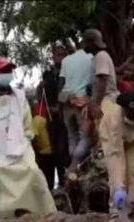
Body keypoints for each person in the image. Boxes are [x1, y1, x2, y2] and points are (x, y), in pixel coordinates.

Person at [0, 56, 57, 218]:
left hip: (20, 148)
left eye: (9, 71)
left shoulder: (19, 96)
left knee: (33, 173)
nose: (8, 74)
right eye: (4, 71)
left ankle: (41, 215)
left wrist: (27, 137)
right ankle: (3, 219)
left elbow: (27, 123)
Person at [34, 44, 69, 188]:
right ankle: (48, 187)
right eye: (57, 55)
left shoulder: (68, 73)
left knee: (63, 151)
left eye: (62, 55)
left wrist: (60, 107)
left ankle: (64, 182)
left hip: (64, 117)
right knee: (48, 152)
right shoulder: (47, 74)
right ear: (53, 57)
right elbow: (40, 95)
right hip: (49, 118)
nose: (59, 58)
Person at [58, 45, 93, 176]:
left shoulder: (66, 60)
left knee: (72, 136)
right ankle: (75, 164)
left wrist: (62, 104)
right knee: (85, 136)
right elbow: (93, 83)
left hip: (67, 101)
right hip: (83, 102)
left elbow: (61, 84)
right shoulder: (90, 58)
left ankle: (74, 165)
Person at [82, 29, 118, 120]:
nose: (83, 46)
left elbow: (102, 80)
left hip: (107, 100)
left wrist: (98, 104)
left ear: (91, 43)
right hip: (104, 100)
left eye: (85, 43)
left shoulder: (101, 56)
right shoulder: (98, 57)